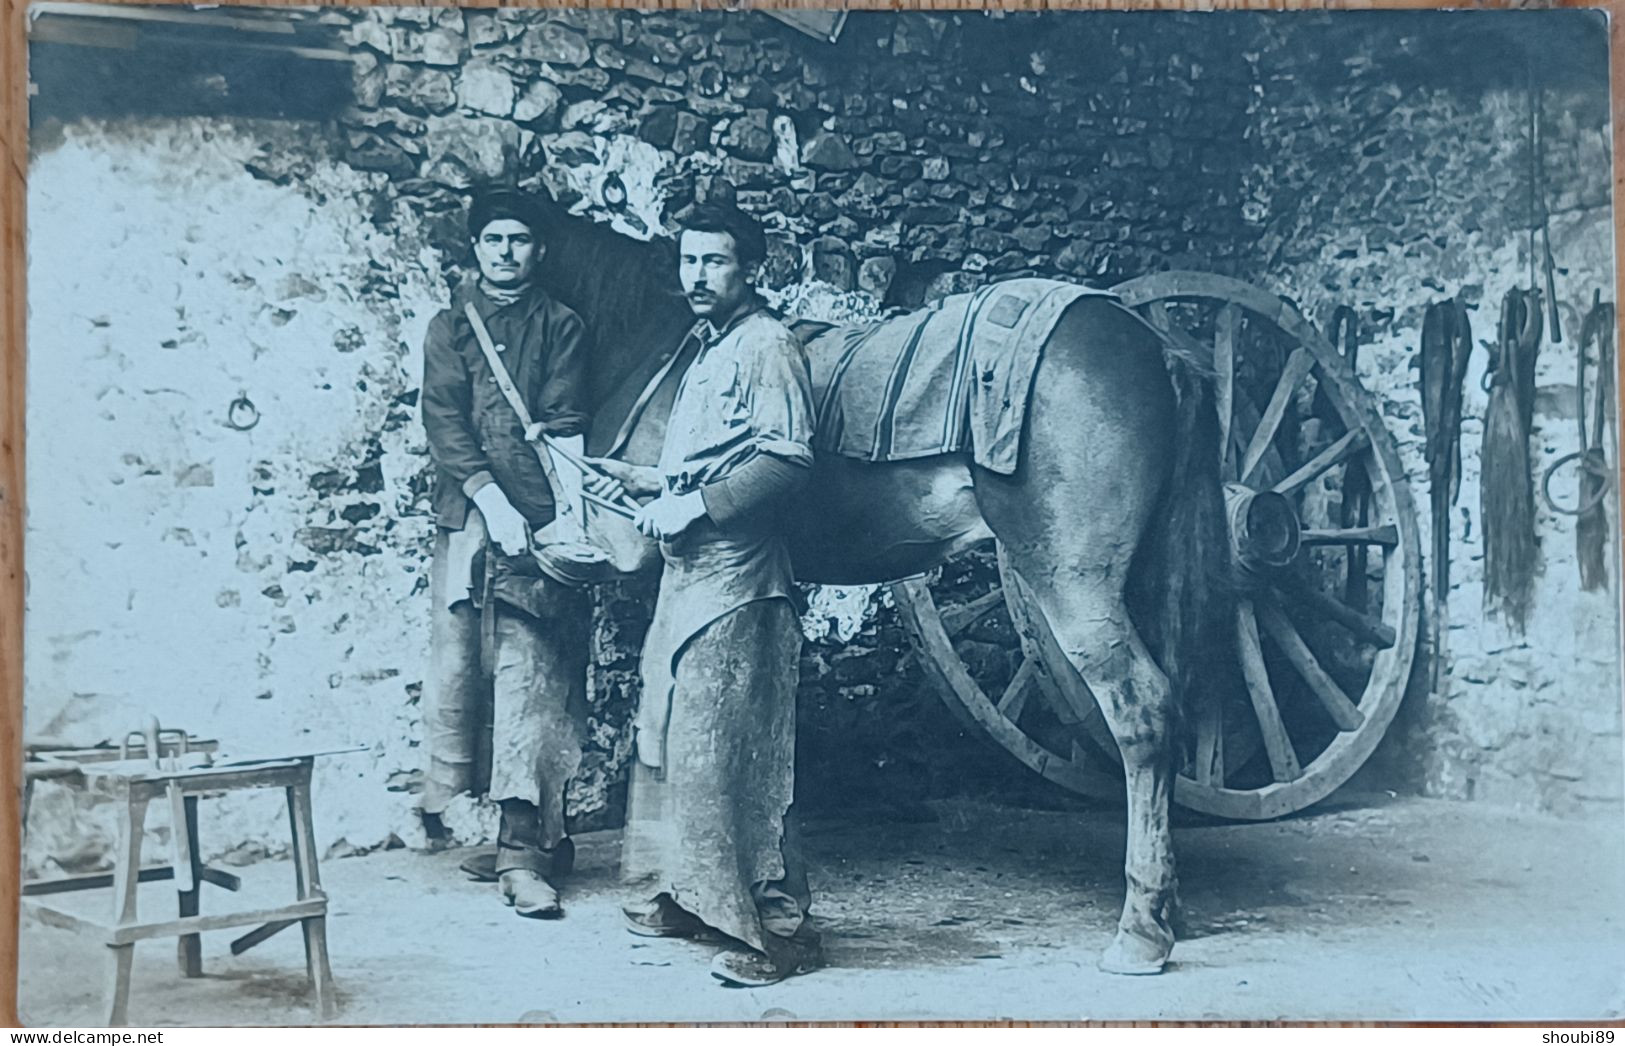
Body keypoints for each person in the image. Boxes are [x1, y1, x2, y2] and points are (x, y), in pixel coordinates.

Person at [587, 201, 822, 987]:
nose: (696, 276)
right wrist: (639, 480)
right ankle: (694, 897)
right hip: (689, 582)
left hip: (742, 585)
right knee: (677, 748)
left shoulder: (768, 345)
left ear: (747, 267)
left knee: (735, 756)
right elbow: (707, 462)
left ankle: (778, 933)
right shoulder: (708, 346)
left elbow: (788, 459)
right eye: (688, 261)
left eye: (713, 262)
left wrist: (691, 506)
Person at [418, 188, 592, 919]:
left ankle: (528, 852)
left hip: (540, 517)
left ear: (539, 250)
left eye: (519, 240)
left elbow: (563, 421)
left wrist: (561, 518)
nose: (506, 252)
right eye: (493, 240)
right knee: (465, 670)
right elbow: (444, 417)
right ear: (476, 247)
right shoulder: (450, 326)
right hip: (469, 516)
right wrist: (489, 498)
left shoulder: (562, 325)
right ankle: (513, 828)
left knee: (533, 672)